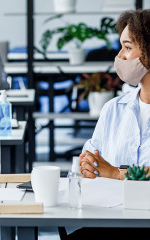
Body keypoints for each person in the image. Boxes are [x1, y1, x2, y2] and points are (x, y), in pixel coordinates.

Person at [68, 9, 150, 240]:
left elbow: (110, 171)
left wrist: (116, 172)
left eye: (127, 47)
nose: (120, 56)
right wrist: (88, 165)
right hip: (110, 220)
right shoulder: (113, 109)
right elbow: (91, 162)